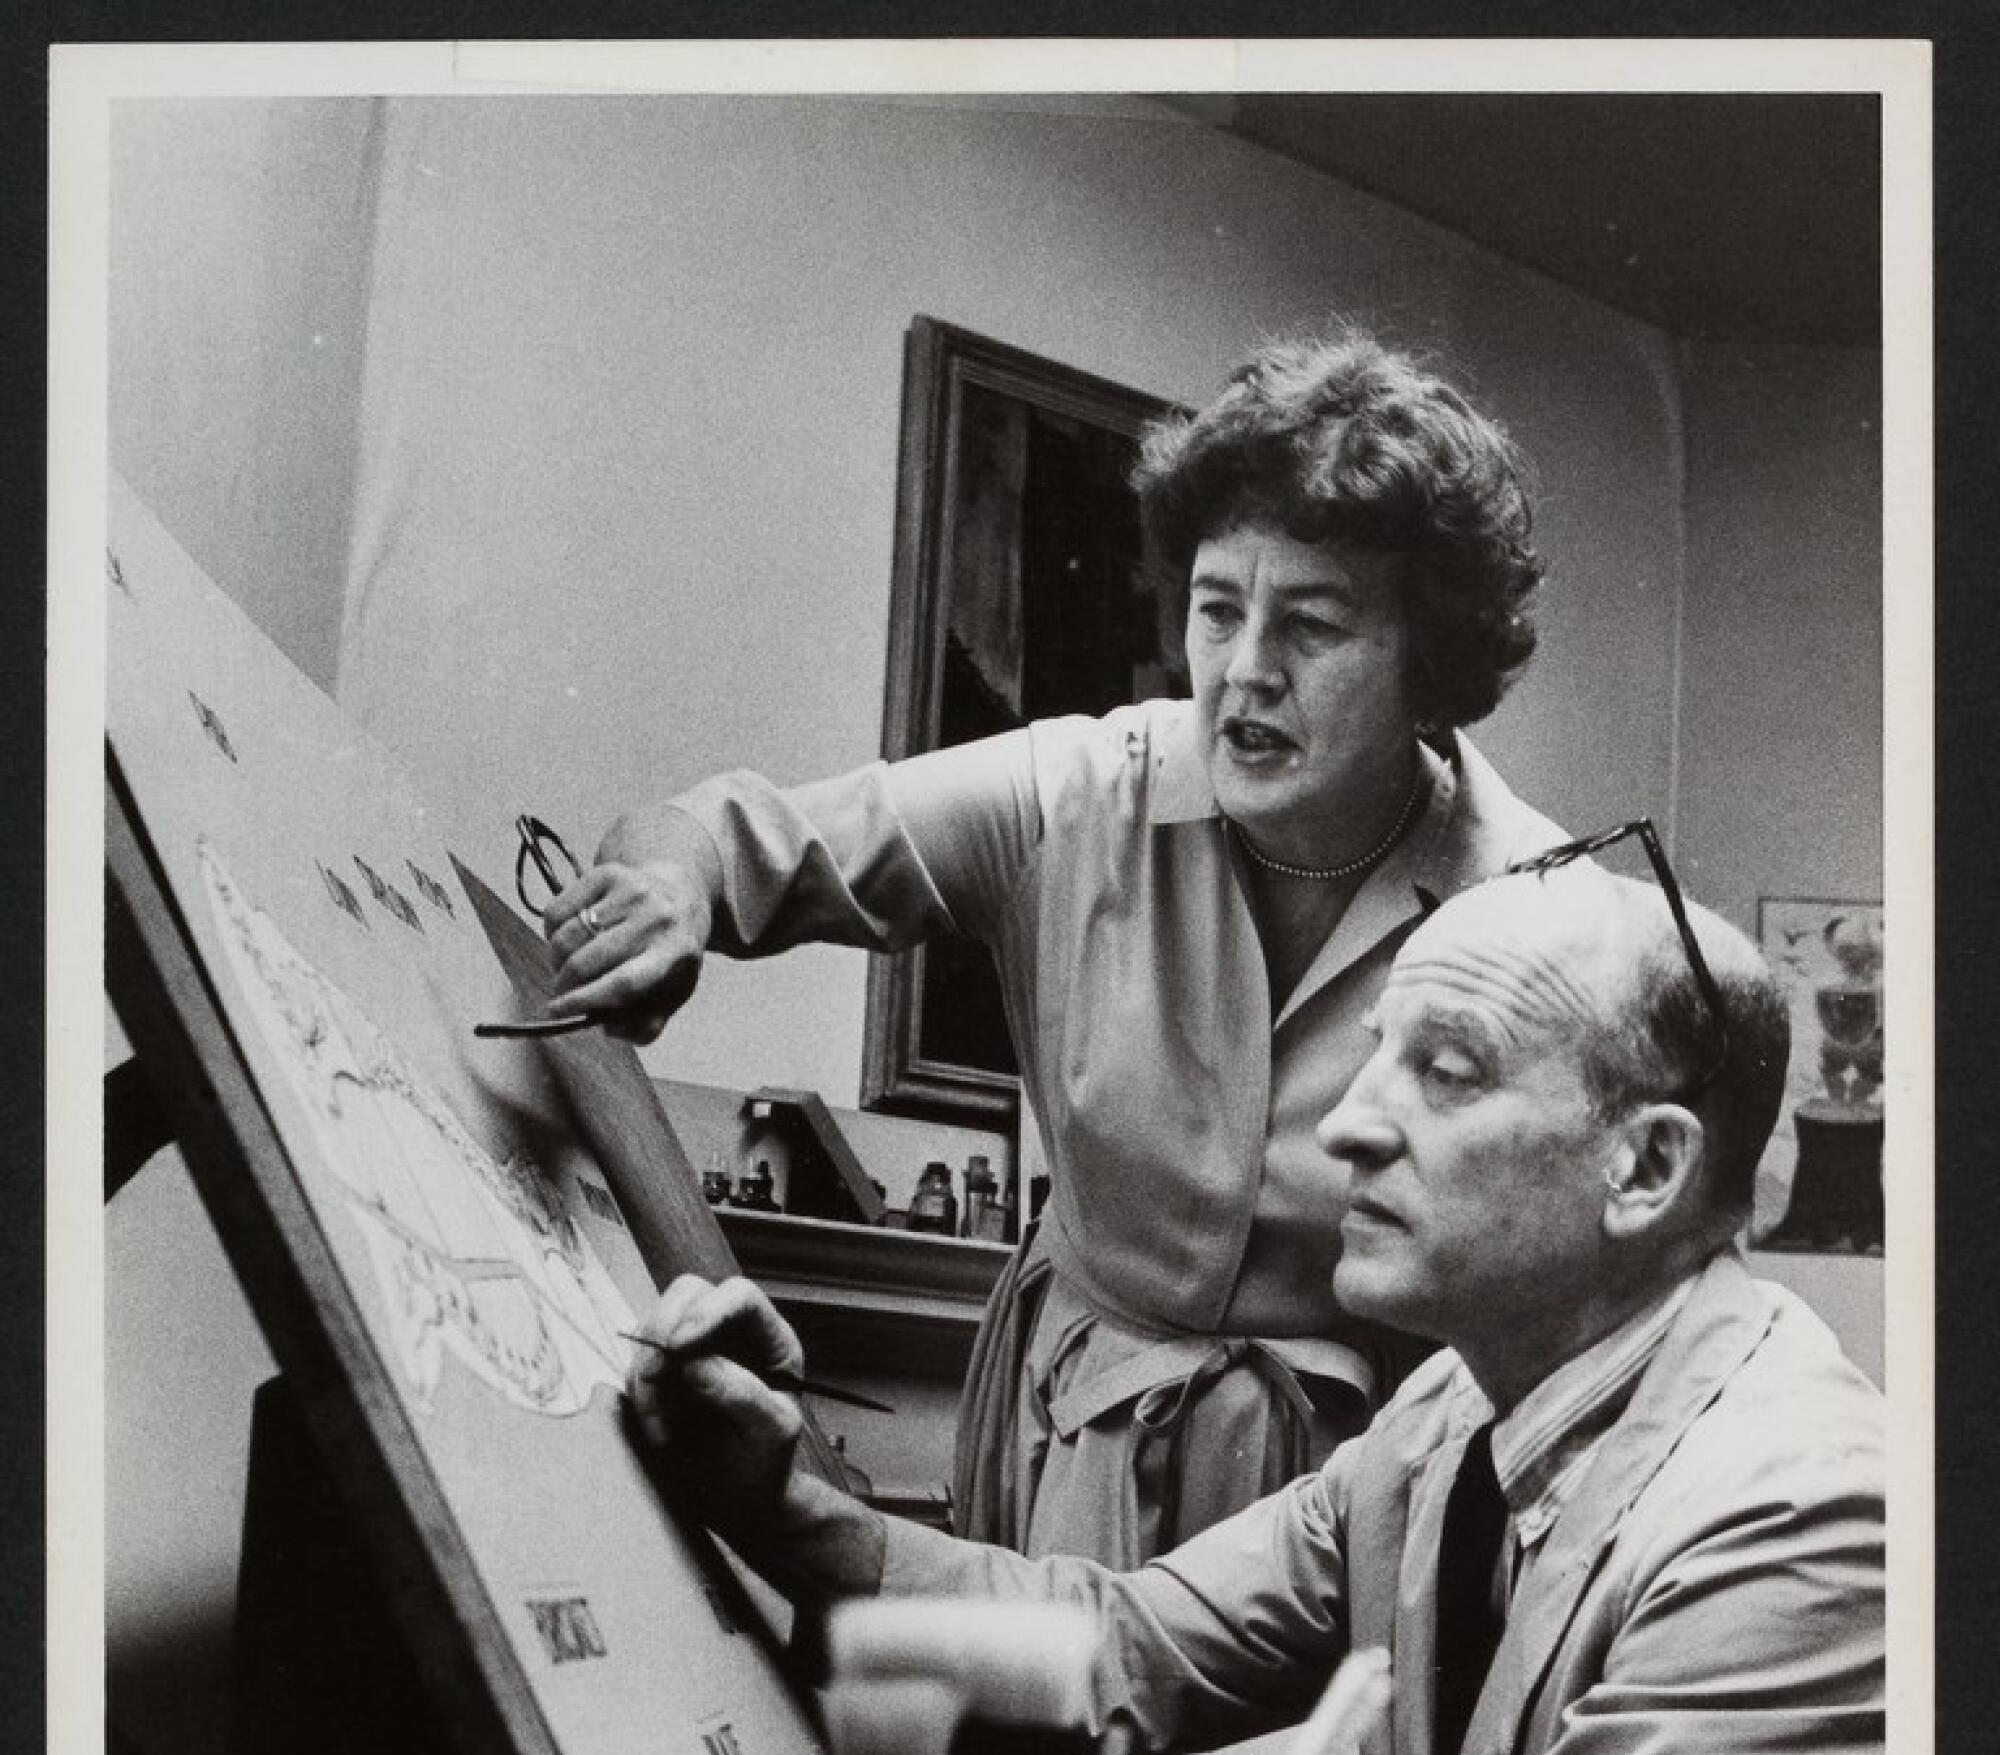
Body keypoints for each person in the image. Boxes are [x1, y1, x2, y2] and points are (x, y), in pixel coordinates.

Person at [621, 858, 1886, 1755]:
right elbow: (1123, 1642)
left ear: (1647, 1168)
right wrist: (784, 1502)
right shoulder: (1449, 1426)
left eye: (1447, 1073)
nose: (1348, 1126)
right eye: (1373, 1065)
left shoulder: (1796, 1513)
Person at [544, 328, 1559, 1564]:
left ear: (1433, 662)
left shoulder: (1538, 912)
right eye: (1215, 608)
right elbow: (723, 834)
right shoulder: (1078, 794)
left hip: (1354, 1512)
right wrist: (667, 888)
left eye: (1312, 625)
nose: (1244, 671)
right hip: (1061, 1460)